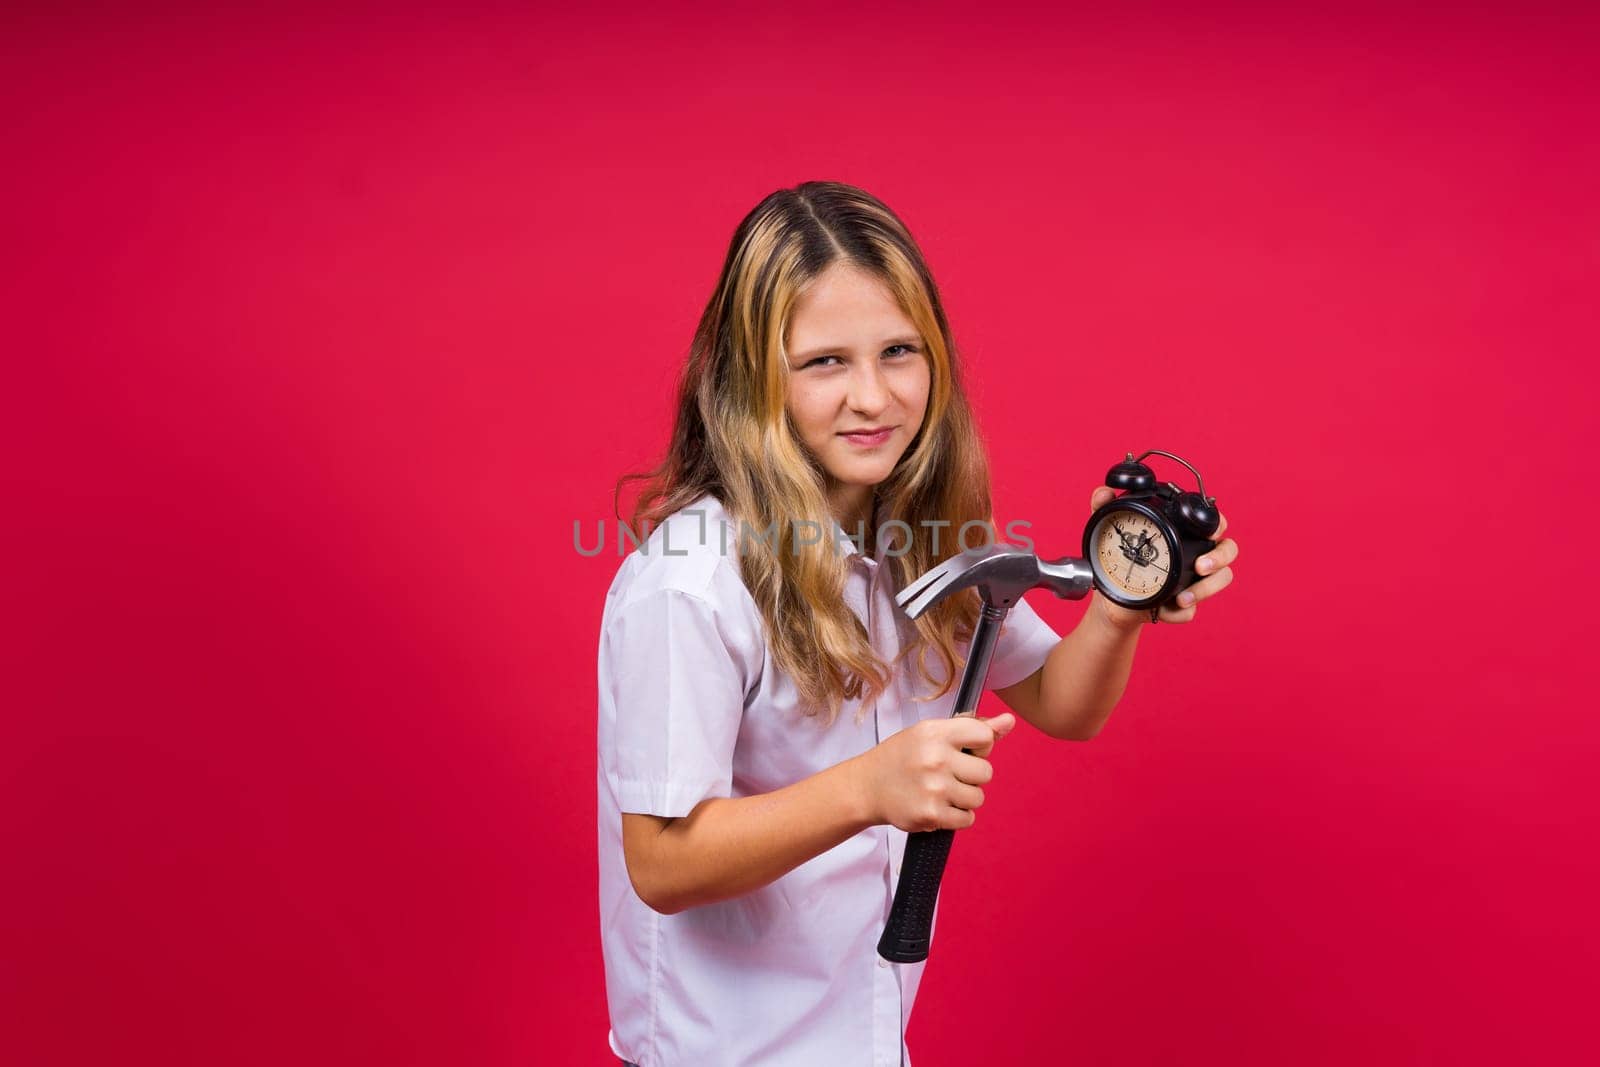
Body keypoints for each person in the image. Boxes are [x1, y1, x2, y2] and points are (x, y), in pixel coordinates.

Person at [595, 181, 1239, 1067]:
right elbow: (662, 863)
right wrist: (870, 787)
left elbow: (1063, 701)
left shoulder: (912, 538)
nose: (873, 396)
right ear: (750, 375)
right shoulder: (691, 578)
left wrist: (1123, 602)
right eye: (825, 361)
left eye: (899, 351)